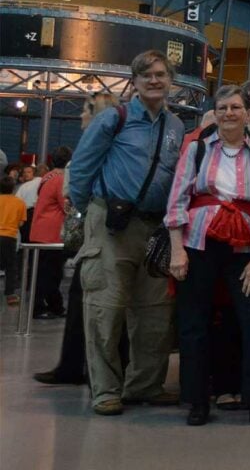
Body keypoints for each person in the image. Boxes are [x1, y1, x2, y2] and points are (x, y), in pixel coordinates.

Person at [68, 50, 185, 416]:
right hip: (111, 224)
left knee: (155, 313)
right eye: (146, 74)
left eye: (161, 74)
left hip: (155, 228)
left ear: (170, 81)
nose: (154, 80)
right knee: (105, 308)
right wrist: (91, 214)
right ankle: (105, 390)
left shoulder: (176, 126)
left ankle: (145, 384)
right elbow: (82, 169)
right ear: (134, 81)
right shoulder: (113, 119)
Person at [164, 85, 250, 427]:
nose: (229, 113)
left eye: (236, 107)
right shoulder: (197, 149)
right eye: (222, 108)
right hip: (198, 244)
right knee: (193, 324)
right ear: (214, 113)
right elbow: (177, 199)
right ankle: (197, 401)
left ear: (247, 112)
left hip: (244, 248)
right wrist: (176, 250)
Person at [34, 93, 121, 385]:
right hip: (100, 235)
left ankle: (80, 367)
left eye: (86, 110)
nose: (81, 116)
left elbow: (76, 194)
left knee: (88, 300)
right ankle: (80, 365)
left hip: (96, 237)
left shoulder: (93, 151)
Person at [29, 146, 73, 318]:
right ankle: (46, 307)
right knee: (51, 274)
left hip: (39, 230)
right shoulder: (61, 180)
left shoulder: (47, 177)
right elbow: (67, 206)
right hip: (52, 233)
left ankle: (51, 305)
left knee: (41, 272)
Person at [0, 177, 27, 306]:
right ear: (13, 188)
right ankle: (10, 294)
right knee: (11, 266)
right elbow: (21, 222)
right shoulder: (19, 203)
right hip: (10, 237)